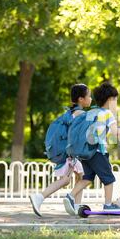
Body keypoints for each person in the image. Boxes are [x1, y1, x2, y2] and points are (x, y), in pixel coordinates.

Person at [63, 82, 120, 215]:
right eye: (115, 99)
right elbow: (115, 132)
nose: (115, 102)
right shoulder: (108, 113)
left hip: (86, 151)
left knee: (87, 178)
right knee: (109, 179)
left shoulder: (90, 112)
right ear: (109, 100)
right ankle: (108, 205)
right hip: (98, 151)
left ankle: (70, 196)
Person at [29, 84, 92, 217]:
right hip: (72, 152)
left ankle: (76, 206)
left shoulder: (70, 112)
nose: (91, 99)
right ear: (81, 99)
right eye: (89, 96)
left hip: (68, 150)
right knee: (67, 180)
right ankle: (40, 197)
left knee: (79, 177)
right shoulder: (81, 114)